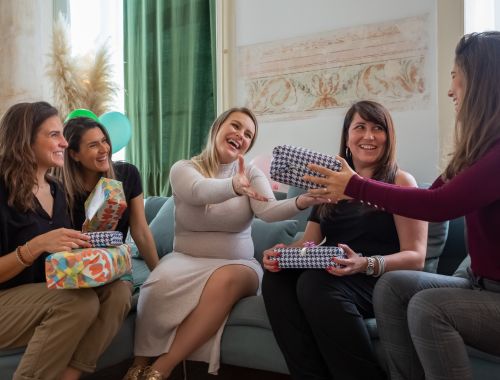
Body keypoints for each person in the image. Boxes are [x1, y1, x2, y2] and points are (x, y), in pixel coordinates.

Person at [305, 32, 500, 380]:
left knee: (428, 308)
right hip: (479, 283)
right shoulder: (480, 148)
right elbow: (439, 191)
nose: (451, 89)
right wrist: (355, 188)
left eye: (455, 76)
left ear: (480, 80)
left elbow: (439, 205)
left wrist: (356, 186)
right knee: (393, 287)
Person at [124, 107, 325, 380]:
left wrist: (303, 201)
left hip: (238, 264)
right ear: (218, 127)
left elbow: (268, 211)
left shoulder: (251, 173)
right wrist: (233, 185)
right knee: (155, 286)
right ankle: (138, 364)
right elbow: (198, 192)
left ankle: (162, 367)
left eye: (248, 135)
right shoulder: (184, 169)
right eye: (236, 126)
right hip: (185, 259)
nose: (241, 136)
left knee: (225, 280)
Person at [261, 100, 428, 380]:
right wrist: (285, 254)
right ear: (347, 138)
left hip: (381, 278)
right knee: (277, 278)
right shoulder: (330, 183)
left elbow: (416, 257)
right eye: (360, 127)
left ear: (388, 137)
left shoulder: (400, 182)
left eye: (378, 128)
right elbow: (310, 244)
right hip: (336, 272)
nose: (369, 136)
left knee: (316, 284)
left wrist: (363, 264)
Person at [0, 101, 132, 380]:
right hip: (6, 302)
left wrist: (98, 249)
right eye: (53, 135)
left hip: (42, 291)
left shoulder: (57, 190)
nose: (63, 142)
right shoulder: (2, 190)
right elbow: (39, 249)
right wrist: (36, 246)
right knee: (77, 303)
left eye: (62, 134)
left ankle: (69, 376)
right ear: (25, 140)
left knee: (119, 293)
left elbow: (63, 262)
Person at [62, 117, 159, 271]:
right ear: (74, 155)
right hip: (78, 268)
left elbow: (140, 230)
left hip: (114, 263)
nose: (104, 149)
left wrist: (158, 274)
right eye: (93, 145)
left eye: (104, 140)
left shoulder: (128, 174)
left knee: (120, 293)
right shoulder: (60, 189)